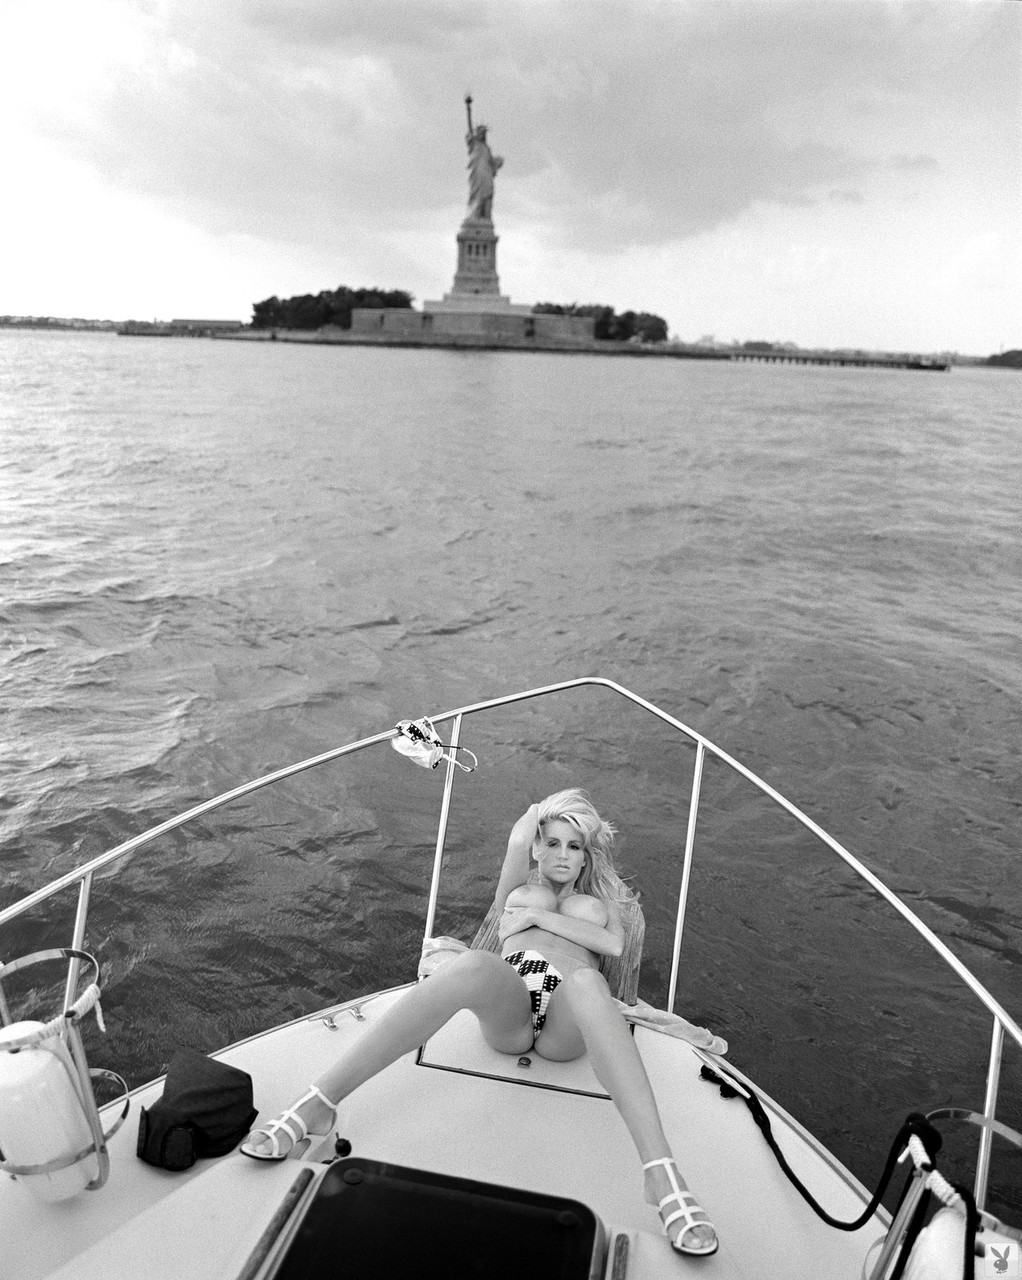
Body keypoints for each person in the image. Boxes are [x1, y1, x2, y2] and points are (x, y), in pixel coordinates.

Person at [240, 789, 718, 1258]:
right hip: (514, 998)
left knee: (591, 983)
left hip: (567, 1011)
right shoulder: (516, 888)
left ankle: (660, 1173)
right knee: (469, 965)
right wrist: (541, 817)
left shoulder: (602, 904)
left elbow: (612, 946)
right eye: (552, 842)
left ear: (586, 856)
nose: (562, 854)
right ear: (537, 847)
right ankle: (318, 1104)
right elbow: (519, 837)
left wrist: (537, 917)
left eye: (574, 846)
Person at [465, 123, 502, 221]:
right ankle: (475, 215)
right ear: (477, 133)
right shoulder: (474, 143)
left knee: (488, 191)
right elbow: (469, 133)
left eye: (484, 133)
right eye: (480, 132)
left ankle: (486, 216)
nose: (482, 135)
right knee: (478, 192)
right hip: (477, 172)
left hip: (487, 173)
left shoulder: (487, 148)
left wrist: (497, 162)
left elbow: (491, 161)